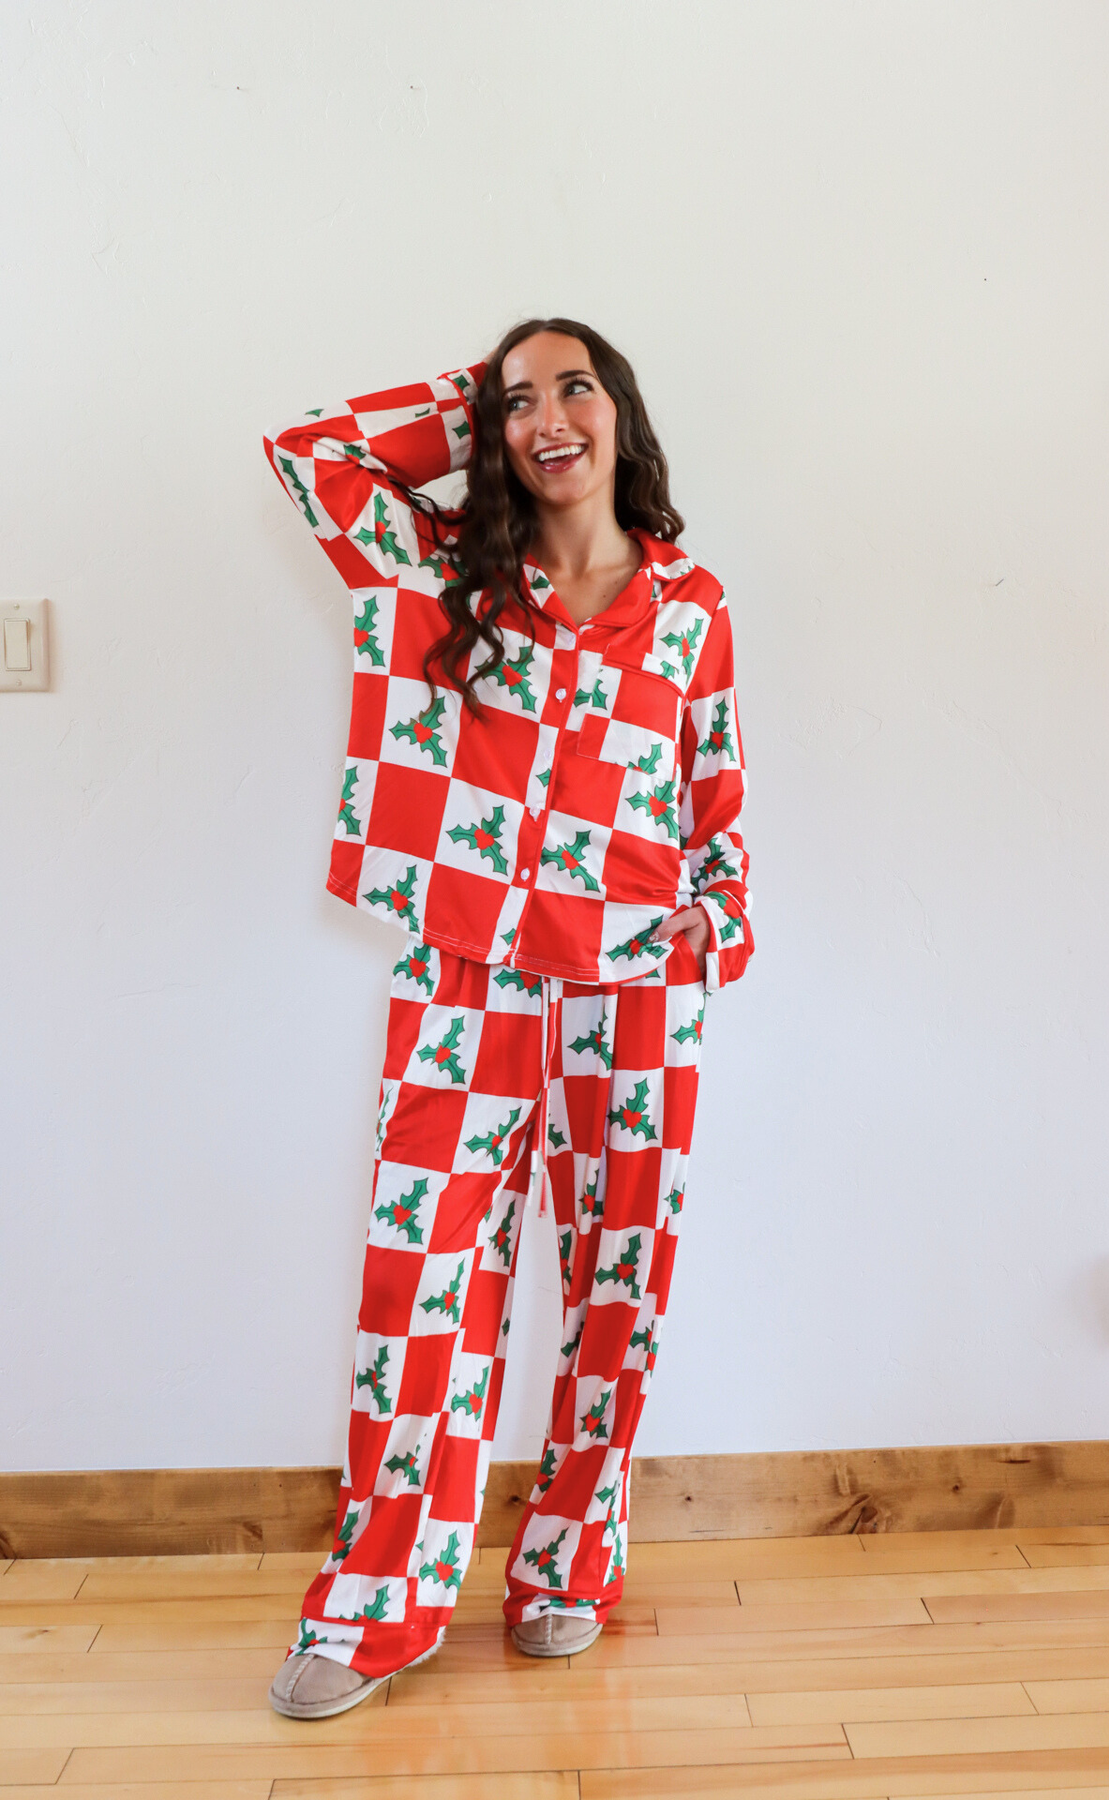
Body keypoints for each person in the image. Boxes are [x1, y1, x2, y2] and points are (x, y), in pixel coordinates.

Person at [261, 317, 754, 1719]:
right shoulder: (440, 569)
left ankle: (568, 1565)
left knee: (619, 1293)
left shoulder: (694, 603)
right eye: (518, 396)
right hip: (467, 977)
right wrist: (480, 416)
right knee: (421, 1297)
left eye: (575, 388)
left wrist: (700, 939)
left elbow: (718, 801)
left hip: (635, 986)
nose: (549, 414)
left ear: (624, 415)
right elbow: (312, 457)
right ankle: (379, 1604)